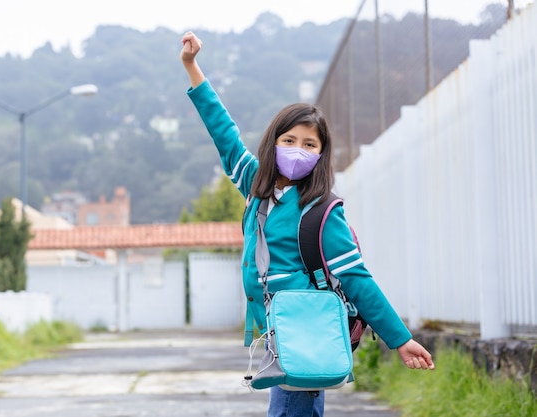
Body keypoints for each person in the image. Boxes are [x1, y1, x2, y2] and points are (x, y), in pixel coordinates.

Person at [180, 31, 434, 417]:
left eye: (310, 144)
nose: (299, 150)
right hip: (278, 330)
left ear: (321, 153)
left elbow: (356, 278)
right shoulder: (257, 185)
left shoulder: (322, 210)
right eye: (290, 139)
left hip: (305, 330)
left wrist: (400, 339)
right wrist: (191, 66)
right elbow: (224, 132)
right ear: (273, 143)